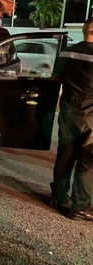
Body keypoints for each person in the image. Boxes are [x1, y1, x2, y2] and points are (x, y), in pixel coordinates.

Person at [51, 17, 93, 221]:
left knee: (65, 153)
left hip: (67, 110)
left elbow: (55, 78)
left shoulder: (67, 51)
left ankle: (58, 197)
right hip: (90, 116)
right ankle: (81, 206)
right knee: (87, 159)